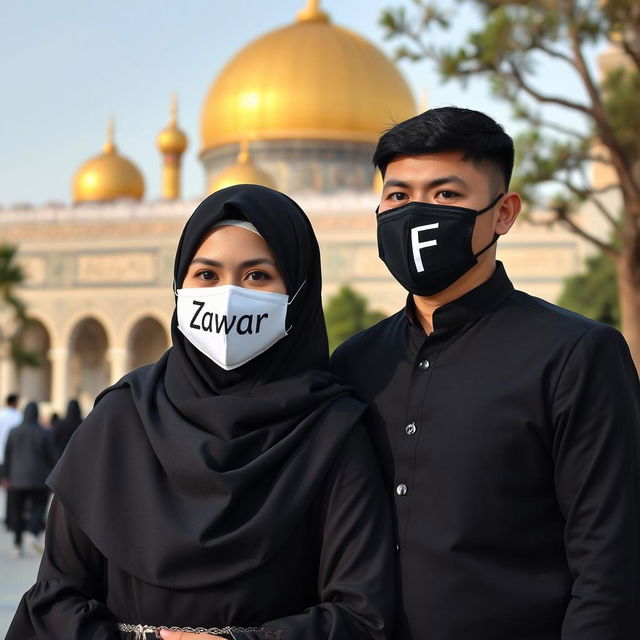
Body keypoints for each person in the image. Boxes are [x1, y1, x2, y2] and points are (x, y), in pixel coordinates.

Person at [7, 185, 394, 640]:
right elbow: (56, 596)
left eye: (257, 276)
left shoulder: (331, 432)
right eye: (207, 275)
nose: (229, 295)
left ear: (299, 293)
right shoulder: (120, 421)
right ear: (179, 286)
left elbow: (362, 613)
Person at [330, 107, 640, 640]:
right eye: (399, 196)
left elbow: (611, 564)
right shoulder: (355, 363)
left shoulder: (575, 356)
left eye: (446, 195)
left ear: (504, 213)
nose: (417, 213)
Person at [2, 401, 56, 556]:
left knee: (17, 510)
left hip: (16, 479)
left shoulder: (14, 432)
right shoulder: (45, 433)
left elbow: (8, 455)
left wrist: (5, 476)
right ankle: (32, 532)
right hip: (38, 478)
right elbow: (51, 457)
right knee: (38, 506)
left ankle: (17, 544)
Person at [0, 393, 22, 527]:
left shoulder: (1, 415)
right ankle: (10, 518)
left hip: (1, 456)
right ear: (15, 403)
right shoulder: (18, 416)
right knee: (11, 490)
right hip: (13, 458)